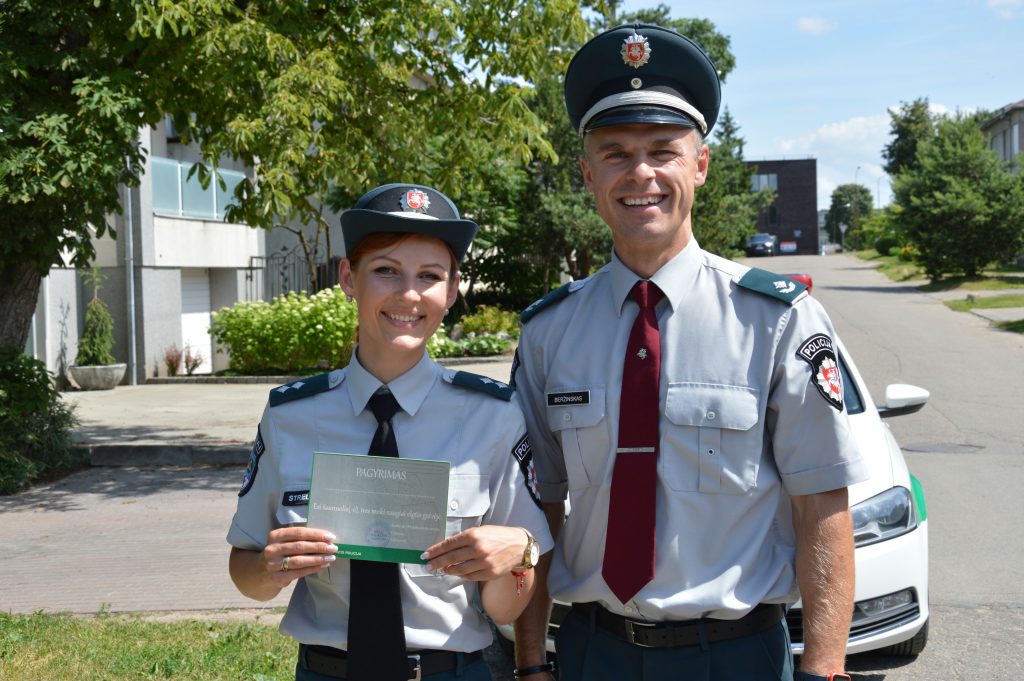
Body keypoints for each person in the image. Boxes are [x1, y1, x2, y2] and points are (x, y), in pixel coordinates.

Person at [510, 24, 866, 681]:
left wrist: (824, 668)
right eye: (614, 153)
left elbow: (822, 506)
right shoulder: (547, 333)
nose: (639, 172)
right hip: (594, 653)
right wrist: (531, 661)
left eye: (662, 150)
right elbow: (534, 513)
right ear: (588, 174)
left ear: (699, 165)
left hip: (737, 656)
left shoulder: (778, 320)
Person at [227, 183, 553, 681]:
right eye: (385, 271)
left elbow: (505, 609)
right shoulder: (291, 415)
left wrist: (519, 555)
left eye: (430, 276)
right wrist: (268, 570)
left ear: (452, 289)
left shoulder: (493, 416)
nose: (408, 294)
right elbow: (245, 569)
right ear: (348, 278)